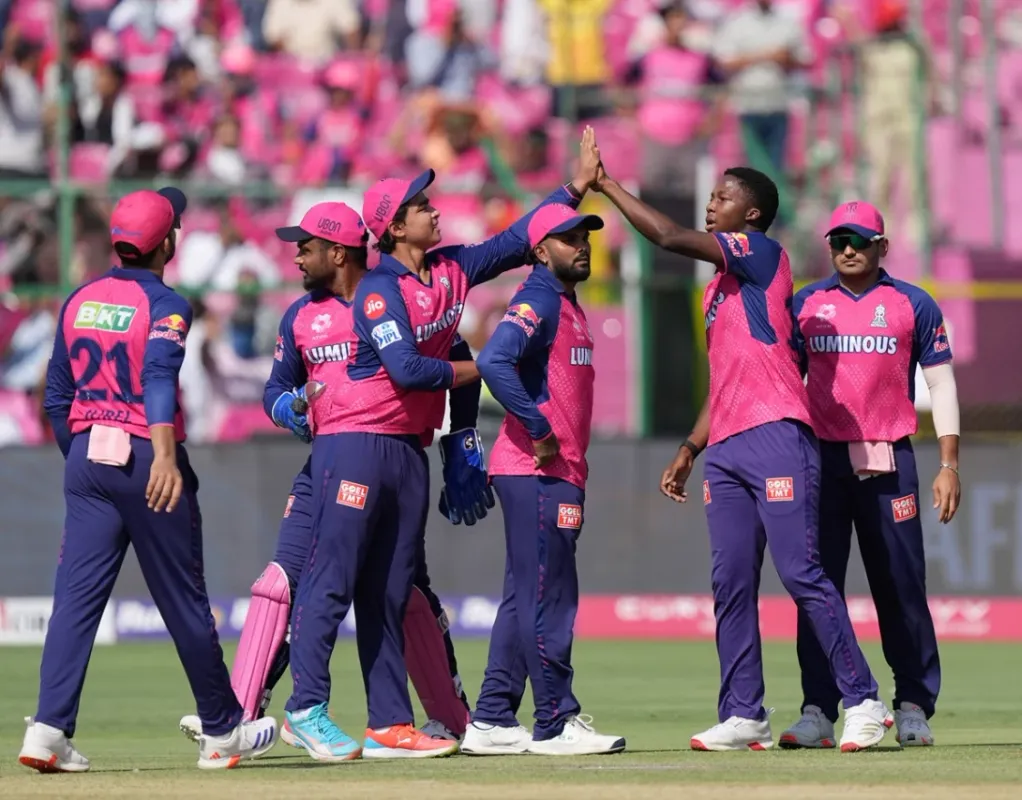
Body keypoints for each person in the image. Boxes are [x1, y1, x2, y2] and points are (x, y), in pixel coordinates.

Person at [283, 132, 602, 761]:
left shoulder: (451, 268)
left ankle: (387, 723)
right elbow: (405, 368)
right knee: (332, 580)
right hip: (354, 440)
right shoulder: (379, 289)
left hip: (407, 449)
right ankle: (305, 707)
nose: (434, 209)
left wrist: (575, 187)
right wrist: (478, 369)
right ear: (395, 227)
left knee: (391, 589)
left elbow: (517, 240)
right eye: (421, 206)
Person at [588, 135, 891, 752]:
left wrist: (607, 184)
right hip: (725, 448)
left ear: (749, 214)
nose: (711, 203)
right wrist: (690, 447)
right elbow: (728, 377)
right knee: (729, 581)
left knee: (802, 571)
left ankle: (862, 700)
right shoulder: (717, 291)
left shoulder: (761, 253)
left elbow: (668, 238)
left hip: (779, 434)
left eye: (722, 197)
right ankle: (743, 713)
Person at [176, 202, 474, 750]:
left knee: (397, 589)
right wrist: (283, 407)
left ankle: (443, 719)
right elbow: (275, 385)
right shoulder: (299, 316)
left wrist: (463, 443)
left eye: (306, 247)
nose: (296, 256)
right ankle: (236, 719)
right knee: (280, 584)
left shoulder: (396, 299)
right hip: (330, 461)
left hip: (393, 454)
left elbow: (456, 356)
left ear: (338, 251)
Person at [23, 189, 277, 772]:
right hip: (146, 459)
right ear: (167, 243)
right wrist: (160, 453)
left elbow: (57, 394)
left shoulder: (78, 299)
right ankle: (221, 730)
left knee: (74, 603)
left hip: (88, 457)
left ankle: (47, 731)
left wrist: (82, 456)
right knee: (185, 601)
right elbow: (160, 376)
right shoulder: (167, 304)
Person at [786, 201, 959, 749]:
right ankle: (818, 707)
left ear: (883, 246)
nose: (848, 250)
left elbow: (942, 384)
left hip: (890, 459)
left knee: (901, 585)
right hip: (820, 462)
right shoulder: (806, 305)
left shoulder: (912, 303)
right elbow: (782, 383)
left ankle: (912, 704)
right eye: (839, 240)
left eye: (860, 240)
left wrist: (949, 463)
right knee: (819, 589)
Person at [466, 203, 625, 756]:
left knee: (523, 595)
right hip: (536, 469)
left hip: (551, 470)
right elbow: (493, 361)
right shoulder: (538, 298)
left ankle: (491, 718)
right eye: (566, 238)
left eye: (583, 236)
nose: (580, 245)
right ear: (538, 251)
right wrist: (536, 427)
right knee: (547, 595)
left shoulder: (567, 303)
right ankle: (556, 719)